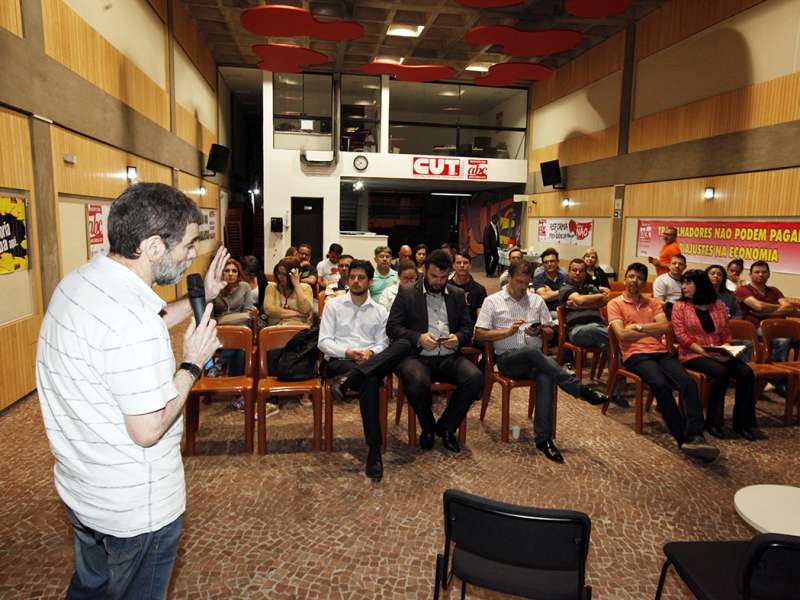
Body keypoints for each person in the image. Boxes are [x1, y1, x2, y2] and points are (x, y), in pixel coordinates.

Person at [37, 182, 225, 598]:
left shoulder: (83, 283)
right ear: (154, 246)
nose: (193, 254)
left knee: (90, 589)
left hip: (84, 489)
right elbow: (147, 429)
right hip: (135, 510)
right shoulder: (131, 321)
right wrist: (191, 363)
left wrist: (206, 296)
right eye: (189, 244)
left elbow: (136, 332)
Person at [475, 261, 608, 464]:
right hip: (508, 360)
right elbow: (479, 333)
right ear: (509, 277)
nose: (521, 287)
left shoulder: (537, 301)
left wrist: (538, 331)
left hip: (536, 361)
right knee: (532, 352)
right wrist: (507, 332)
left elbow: (549, 331)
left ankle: (544, 440)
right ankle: (580, 389)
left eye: (525, 283)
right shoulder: (492, 301)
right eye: (518, 281)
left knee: (546, 375)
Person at [606, 262, 719, 463]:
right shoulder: (615, 304)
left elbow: (666, 328)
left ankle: (696, 434)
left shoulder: (653, 303)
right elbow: (622, 334)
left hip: (661, 352)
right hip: (635, 355)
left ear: (644, 282)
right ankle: (682, 438)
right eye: (631, 276)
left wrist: (638, 328)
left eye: (640, 278)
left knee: (687, 382)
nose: (635, 281)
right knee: (661, 385)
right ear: (625, 278)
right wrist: (650, 328)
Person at [387, 249, 484, 453]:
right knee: (417, 381)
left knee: (475, 378)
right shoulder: (406, 292)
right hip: (417, 356)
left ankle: (446, 428)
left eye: (443, 277)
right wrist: (418, 338)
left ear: (449, 273)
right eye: (434, 276)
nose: (438, 281)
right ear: (424, 270)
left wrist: (457, 337)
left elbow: (468, 328)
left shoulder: (457, 294)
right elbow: (393, 327)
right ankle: (428, 427)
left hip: (449, 356)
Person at [319, 260, 408, 481]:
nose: (356, 281)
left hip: (368, 362)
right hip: (340, 361)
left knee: (375, 374)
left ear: (370, 282)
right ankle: (374, 450)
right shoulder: (333, 305)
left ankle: (373, 450)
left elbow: (382, 343)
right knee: (370, 378)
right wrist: (349, 352)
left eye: (361, 278)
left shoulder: (380, 311)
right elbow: (324, 342)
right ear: (348, 280)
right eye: (352, 277)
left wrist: (369, 354)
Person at [671, 270, 759, 440]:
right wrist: (704, 351)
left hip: (718, 352)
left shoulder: (717, 305)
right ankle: (713, 422)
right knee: (720, 373)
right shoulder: (679, 306)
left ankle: (743, 423)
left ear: (701, 285)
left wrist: (725, 347)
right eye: (683, 283)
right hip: (692, 354)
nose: (684, 287)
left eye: (688, 283)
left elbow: (726, 333)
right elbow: (681, 335)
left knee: (746, 373)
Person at [735, 260, 798, 395]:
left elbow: (789, 307)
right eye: (757, 272)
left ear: (769, 274)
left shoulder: (774, 291)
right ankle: (778, 380)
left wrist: (766, 311)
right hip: (755, 328)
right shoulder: (743, 290)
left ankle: (788, 379)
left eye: (764, 272)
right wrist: (776, 308)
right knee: (783, 340)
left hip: (780, 327)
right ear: (751, 274)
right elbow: (758, 306)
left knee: (787, 337)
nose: (760, 275)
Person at [264, 257, 313, 326]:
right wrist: (298, 314)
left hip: (298, 329)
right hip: (275, 329)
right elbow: (269, 310)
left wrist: (296, 285)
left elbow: (305, 310)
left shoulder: (305, 288)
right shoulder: (271, 287)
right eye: (278, 273)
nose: (279, 277)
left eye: (283, 274)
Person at [213, 258, 254, 325]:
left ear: (238, 274)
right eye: (227, 271)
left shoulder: (245, 286)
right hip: (219, 328)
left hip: (240, 326)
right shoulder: (215, 289)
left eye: (234, 271)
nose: (230, 274)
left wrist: (220, 320)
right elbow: (211, 318)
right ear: (221, 273)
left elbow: (248, 315)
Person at [449, 251, 487, 324]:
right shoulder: (445, 287)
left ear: (470, 265)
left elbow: (481, 317)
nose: (462, 265)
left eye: (465, 263)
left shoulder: (479, 289)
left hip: (470, 328)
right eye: (458, 262)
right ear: (453, 265)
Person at [532, 247, 567, 317]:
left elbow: (570, 296)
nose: (549, 264)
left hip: (564, 310)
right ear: (542, 264)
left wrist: (550, 292)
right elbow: (545, 296)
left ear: (557, 262)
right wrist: (564, 291)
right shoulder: (538, 278)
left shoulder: (565, 277)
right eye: (546, 262)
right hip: (547, 312)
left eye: (552, 261)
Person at [653, 254, 687, 318]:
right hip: (667, 311)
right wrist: (676, 308)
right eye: (674, 263)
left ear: (685, 267)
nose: (677, 266)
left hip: (685, 311)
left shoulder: (687, 280)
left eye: (680, 264)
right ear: (669, 265)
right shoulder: (661, 280)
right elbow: (658, 302)